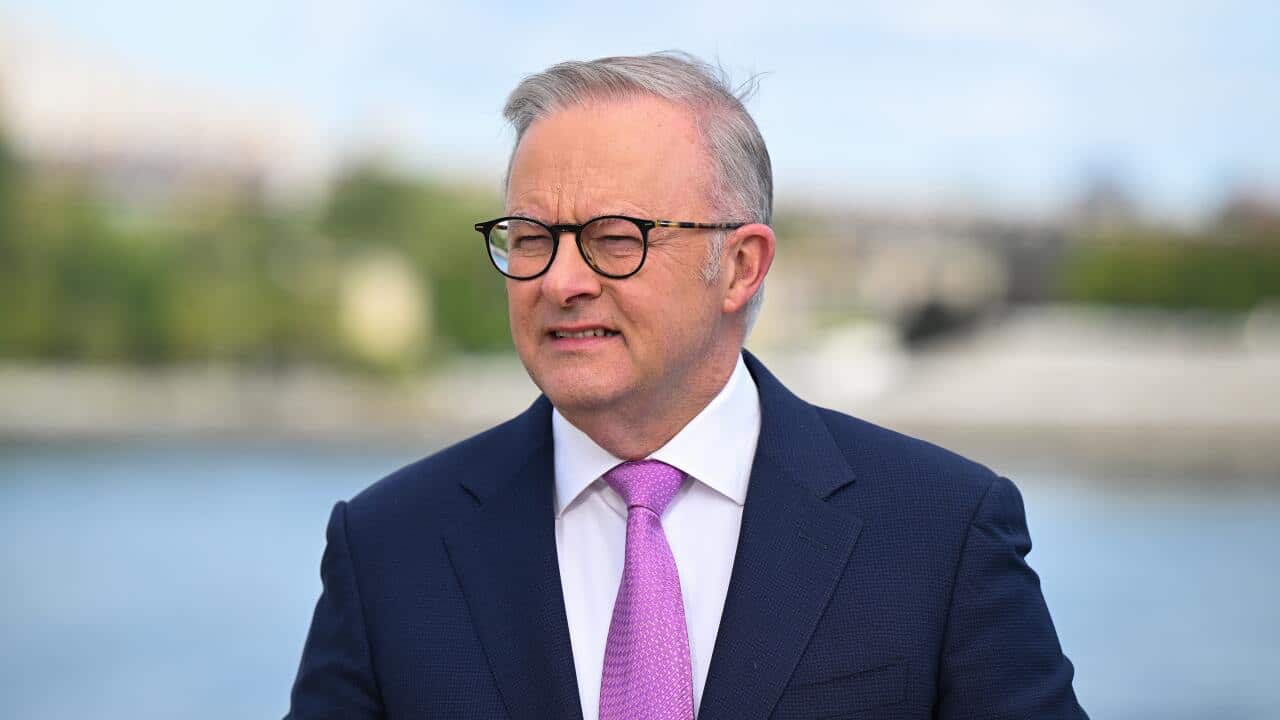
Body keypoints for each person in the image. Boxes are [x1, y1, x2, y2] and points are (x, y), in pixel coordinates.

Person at [286, 52, 1087, 720]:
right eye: (530, 238)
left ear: (741, 266)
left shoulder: (938, 533)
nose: (560, 280)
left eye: (614, 239)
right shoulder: (388, 547)